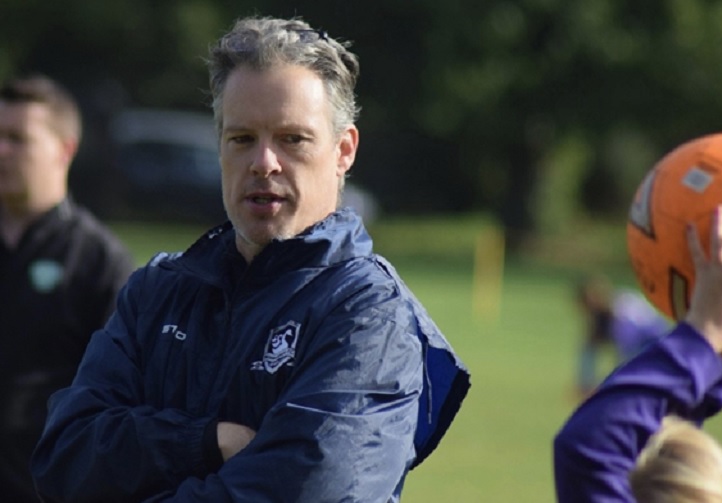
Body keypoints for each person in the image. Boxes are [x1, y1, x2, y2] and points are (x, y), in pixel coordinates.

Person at [31, 16, 471, 502]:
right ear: (220, 146)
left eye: (292, 139)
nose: (264, 162)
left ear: (343, 151)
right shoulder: (157, 291)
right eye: (242, 139)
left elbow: (307, 492)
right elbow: (63, 459)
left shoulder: (368, 315)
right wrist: (204, 442)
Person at [554, 205, 722, 502]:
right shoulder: (602, 320)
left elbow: (590, 447)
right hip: (681, 351)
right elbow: (661, 430)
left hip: (663, 345)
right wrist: (720, 348)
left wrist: (706, 336)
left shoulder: (621, 313)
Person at [0, 75, 135, 502]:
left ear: (65, 150)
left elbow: (122, 402)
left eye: (17, 138)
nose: (1, 150)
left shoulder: (99, 262)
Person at [574, 273, 670, 397]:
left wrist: (610, 384)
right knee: (589, 345)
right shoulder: (606, 310)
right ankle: (585, 386)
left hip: (653, 343)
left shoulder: (620, 313)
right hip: (640, 341)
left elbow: (626, 353)